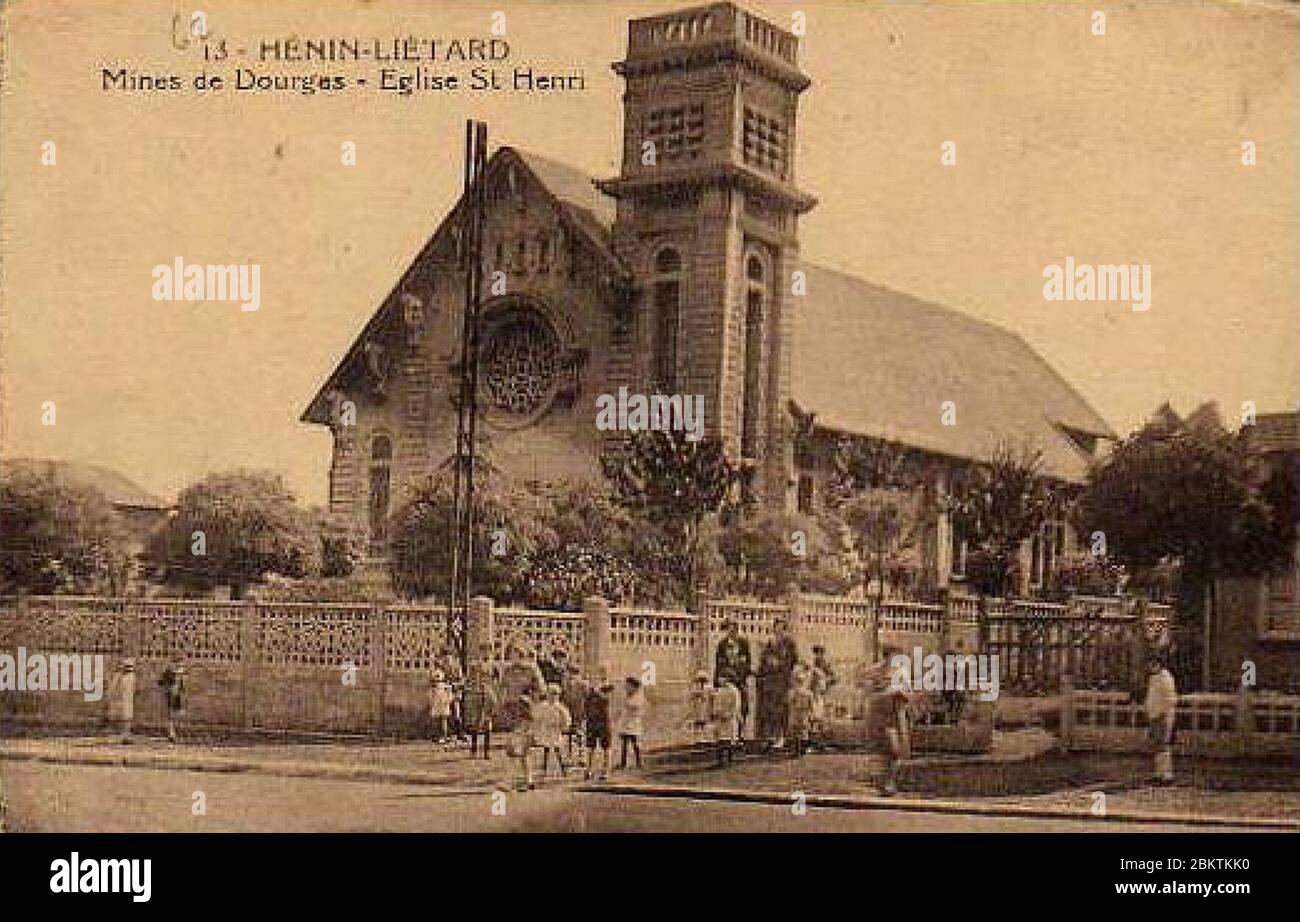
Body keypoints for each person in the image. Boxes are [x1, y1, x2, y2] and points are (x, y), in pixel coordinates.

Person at [756, 617, 798, 749]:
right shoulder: (770, 642)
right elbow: (763, 660)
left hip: (782, 680)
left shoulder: (789, 643)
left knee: (781, 709)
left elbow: (793, 660)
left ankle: (782, 737)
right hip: (770, 681)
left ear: (784, 628)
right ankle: (769, 737)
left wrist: (780, 665)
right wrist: (766, 668)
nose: (778, 629)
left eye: (781, 627)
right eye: (776, 627)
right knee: (768, 709)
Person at [713, 619, 752, 741]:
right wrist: (718, 680)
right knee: (725, 707)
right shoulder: (722, 644)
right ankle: (725, 736)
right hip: (727, 679)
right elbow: (719, 663)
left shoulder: (743, 643)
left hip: (740, 679)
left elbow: (747, 661)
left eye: (733, 629)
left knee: (742, 705)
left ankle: (740, 732)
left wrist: (742, 672)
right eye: (728, 629)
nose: (731, 631)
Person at [1144, 657, 1178, 784]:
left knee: (1163, 745)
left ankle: (1167, 775)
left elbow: (1170, 699)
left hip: (1163, 716)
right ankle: (1158, 773)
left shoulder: (1166, 678)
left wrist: (1164, 714)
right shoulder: (1153, 679)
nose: (1151, 667)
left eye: (1153, 664)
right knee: (1156, 745)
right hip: (1154, 715)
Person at [532, 684, 572, 780]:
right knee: (546, 749)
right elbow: (536, 717)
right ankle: (544, 769)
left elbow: (566, 718)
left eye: (555, 694)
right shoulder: (543, 706)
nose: (553, 697)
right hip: (546, 730)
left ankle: (563, 769)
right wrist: (538, 726)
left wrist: (564, 727)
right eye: (551, 694)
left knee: (557, 749)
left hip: (555, 730)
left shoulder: (560, 707)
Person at [461, 662, 498, 759]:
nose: (478, 676)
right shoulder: (471, 687)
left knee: (487, 730)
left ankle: (486, 752)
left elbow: (493, 701)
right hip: (475, 711)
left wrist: (490, 712)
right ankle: (473, 751)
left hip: (485, 710)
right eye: (475, 673)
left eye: (481, 674)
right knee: (474, 730)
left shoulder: (488, 689)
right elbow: (467, 700)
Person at [584, 672, 614, 781]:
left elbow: (607, 703)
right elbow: (586, 707)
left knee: (606, 747)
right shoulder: (590, 694)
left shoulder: (607, 691)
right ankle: (589, 769)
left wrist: (600, 691)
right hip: (592, 722)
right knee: (590, 747)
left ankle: (605, 770)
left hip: (603, 723)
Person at [616, 676, 646, 771]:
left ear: (633, 686)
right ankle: (623, 763)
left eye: (628, 686)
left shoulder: (638, 696)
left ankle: (639, 762)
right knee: (624, 743)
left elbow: (635, 706)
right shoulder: (627, 695)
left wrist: (627, 704)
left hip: (634, 722)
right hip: (626, 722)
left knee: (635, 743)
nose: (626, 687)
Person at [787, 665, 816, 758]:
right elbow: (811, 705)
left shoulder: (793, 692)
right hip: (804, 713)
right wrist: (811, 714)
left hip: (797, 713)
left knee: (796, 731)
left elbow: (790, 703)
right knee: (803, 732)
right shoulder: (808, 693)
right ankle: (801, 750)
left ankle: (797, 751)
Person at [712, 677, 742, 768]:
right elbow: (716, 703)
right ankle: (720, 760)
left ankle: (729, 759)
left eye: (722, 679)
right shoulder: (720, 691)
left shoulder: (734, 691)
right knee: (720, 739)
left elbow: (736, 705)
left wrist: (730, 714)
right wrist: (716, 712)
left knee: (729, 740)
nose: (720, 680)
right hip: (720, 718)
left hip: (729, 718)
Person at [510, 692, 537, 790]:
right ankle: (527, 780)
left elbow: (527, 730)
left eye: (521, 706)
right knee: (523, 760)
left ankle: (527, 780)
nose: (519, 708)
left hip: (524, 740)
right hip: (520, 740)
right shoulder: (521, 717)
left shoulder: (528, 719)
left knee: (523, 760)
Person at [561, 664, 588, 758]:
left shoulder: (583, 684)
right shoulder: (565, 684)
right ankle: (570, 754)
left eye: (572, 673)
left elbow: (587, 698)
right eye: (569, 673)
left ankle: (581, 754)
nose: (570, 675)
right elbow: (563, 698)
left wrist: (585, 711)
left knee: (579, 733)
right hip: (569, 711)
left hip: (579, 711)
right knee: (569, 734)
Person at [107, 658, 136, 744]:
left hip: (127, 699)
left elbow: (133, 689)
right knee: (123, 717)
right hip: (121, 699)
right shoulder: (119, 677)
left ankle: (126, 735)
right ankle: (123, 735)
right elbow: (113, 689)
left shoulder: (130, 677)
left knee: (127, 717)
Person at [810, 646, 836, 739]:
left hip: (822, 691)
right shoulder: (814, 664)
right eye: (816, 653)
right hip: (815, 691)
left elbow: (833, 678)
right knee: (816, 713)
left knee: (821, 713)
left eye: (819, 653)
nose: (817, 655)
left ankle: (822, 735)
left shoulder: (825, 664)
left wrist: (825, 681)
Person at [157, 663, 186, 743]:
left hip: (177, 695)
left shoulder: (178, 675)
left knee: (177, 714)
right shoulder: (169, 673)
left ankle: (176, 733)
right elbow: (161, 682)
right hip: (172, 694)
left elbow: (182, 687)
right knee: (171, 714)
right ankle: (172, 733)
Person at [687, 669, 714, 747]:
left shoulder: (708, 688)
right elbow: (691, 696)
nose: (701, 682)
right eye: (700, 680)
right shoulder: (695, 688)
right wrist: (696, 695)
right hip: (698, 707)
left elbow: (711, 697)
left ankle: (704, 738)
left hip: (705, 707)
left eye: (702, 680)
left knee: (704, 723)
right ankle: (696, 739)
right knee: (697, 723)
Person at [429, 671, 454, 745]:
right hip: (438, 703)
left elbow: (450, 696)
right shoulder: (434, 688)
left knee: (443, 720)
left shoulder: (446, 687)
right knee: (439, 721)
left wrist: (448, 701)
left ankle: (444, 736)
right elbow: (431, 697)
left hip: (443, 703)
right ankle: (439, 736)